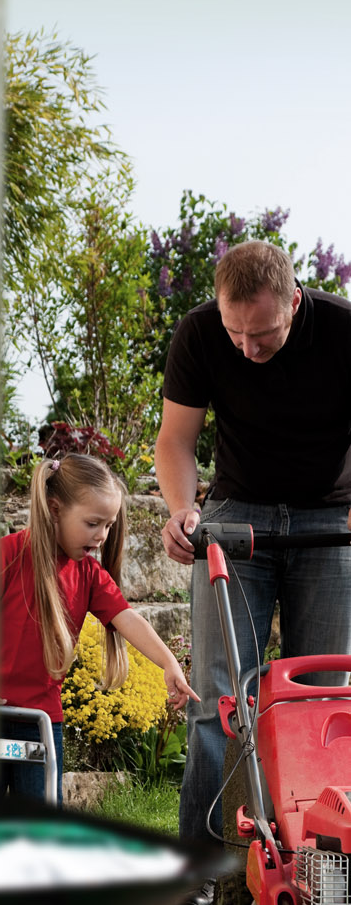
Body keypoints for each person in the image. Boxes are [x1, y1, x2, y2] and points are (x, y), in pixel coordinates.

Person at [154, 236, 351, 847]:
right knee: (218, 693)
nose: (248, 347)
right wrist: (184, 511)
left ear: (294, 301)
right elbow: (176, 440)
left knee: (320, 696)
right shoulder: (199, 334)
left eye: (263, 332)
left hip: (331, 520)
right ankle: (203, 863)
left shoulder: (344, 330)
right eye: (236, 332)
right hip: (236, 518)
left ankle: (316, 850)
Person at [0, 435, 196, 802]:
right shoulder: (9, 555)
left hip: (41, 720)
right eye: (93, 523)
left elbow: (128, 619)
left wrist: (169, 663)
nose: (102, 536)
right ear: (55, 509)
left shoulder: (88, 575)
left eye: (107, 526)